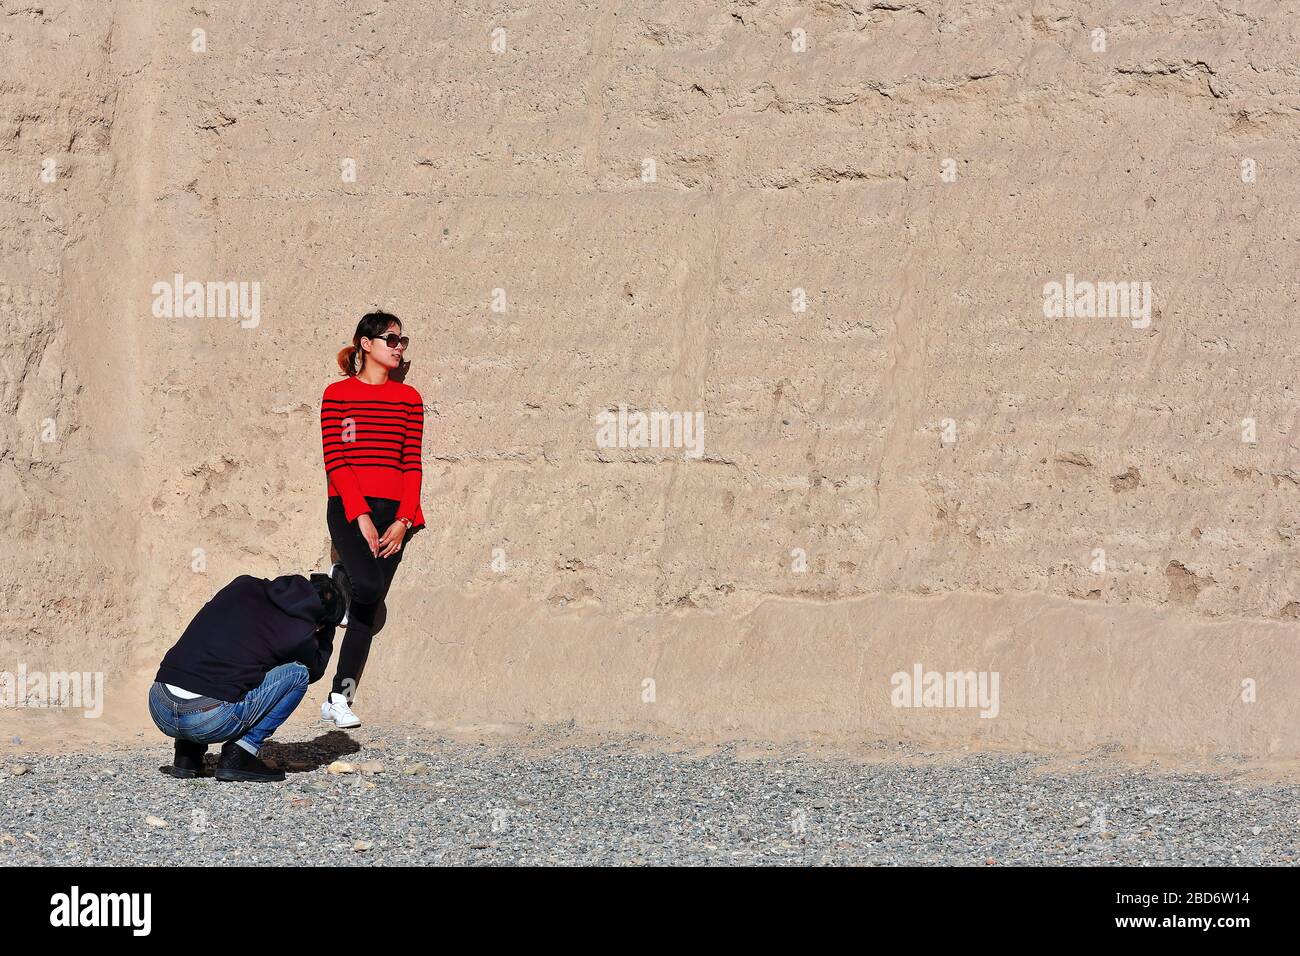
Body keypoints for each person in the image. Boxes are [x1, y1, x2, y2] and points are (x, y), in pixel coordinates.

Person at [319, 311, 424, 729]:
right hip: (348, 505)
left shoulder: (409, 399)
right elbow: (337, 459)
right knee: (368, 586)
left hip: (393, 509)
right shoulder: (338, 394)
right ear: (366, 344)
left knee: (368, 606)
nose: (399, 347)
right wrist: (360, 514)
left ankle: (337, 699)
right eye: (391, 339)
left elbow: (411, 463)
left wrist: (403, 519)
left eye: (402, 341)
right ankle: (338, 579)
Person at [149, 573, 345, 783]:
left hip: (159, 703)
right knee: (297, 674)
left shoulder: (243, 584)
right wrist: (325, 632)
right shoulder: (300, 633)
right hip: (206, 721)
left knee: (220, 661)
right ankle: (240, 754)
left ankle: (187, 755)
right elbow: (315, 671)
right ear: (320, 624)